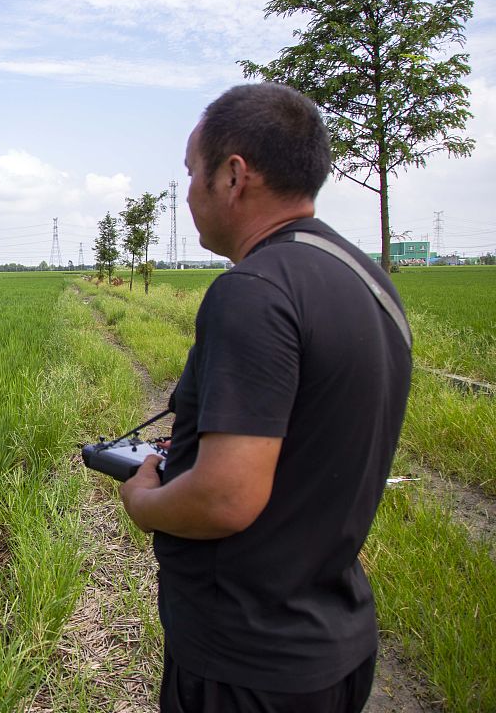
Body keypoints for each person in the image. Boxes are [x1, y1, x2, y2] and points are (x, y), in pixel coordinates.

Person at [118, 83, 412, 712]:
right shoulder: (367, 280)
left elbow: (227, 496)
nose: (189, 194)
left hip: (247, 664)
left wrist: (145, 499)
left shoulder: (252, 291)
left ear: (233, 176)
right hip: (333, 641)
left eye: (192, 173)